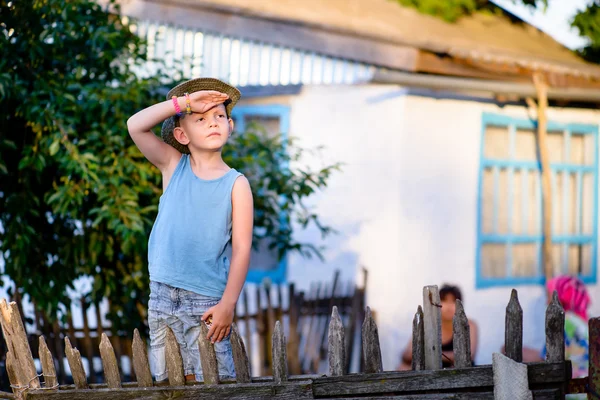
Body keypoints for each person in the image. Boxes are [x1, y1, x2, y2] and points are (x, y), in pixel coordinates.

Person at [127, 77, 254, 382]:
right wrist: (184, 103)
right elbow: (135, 125)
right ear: (182, 134)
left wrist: (228, 304)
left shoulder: (236, 184)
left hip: (207, 301)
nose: (213, 123)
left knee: (213, 383)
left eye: (219, 116)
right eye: (201, 118)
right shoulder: (173, 165)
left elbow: (242, 249)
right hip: (162, 294)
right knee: (168, 383)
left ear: (231, 126)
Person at [520, 275, 591, 379]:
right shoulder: (582, 323)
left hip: (573, 391)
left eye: (549, 297)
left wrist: (516, 355)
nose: (546, 302)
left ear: (561, 299)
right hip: (588, 388)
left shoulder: (565, 323)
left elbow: (545, 360)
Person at [398, 284, 478, 370]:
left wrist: (432, 354)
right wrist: (447, 355)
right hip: (432, 369)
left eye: (453, 301)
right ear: (436, 303)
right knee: (402, 368)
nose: (449, 306)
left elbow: (469, 355)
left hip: (456, 370)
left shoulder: (468, 325)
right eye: (444, 300)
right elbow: (407, 354)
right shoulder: (427, 325)